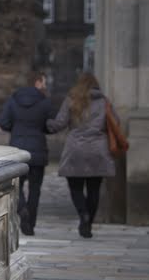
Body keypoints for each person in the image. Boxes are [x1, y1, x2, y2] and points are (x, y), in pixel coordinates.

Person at [47, 72, 119, 238]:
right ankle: (89, 221)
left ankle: (83, 214)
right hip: (98, 150)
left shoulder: (71, 99)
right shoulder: (103, 101)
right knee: (94, 189)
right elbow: (116, 121)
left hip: (75, 149)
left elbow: (59, 124)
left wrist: (45, 123)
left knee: (75, 187)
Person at [0, 70, 54, 235]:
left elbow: (3, 122)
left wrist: (15, 130)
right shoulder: (45, 102)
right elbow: (51, 125)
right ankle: (31, 223)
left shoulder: (13, 100)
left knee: (17, 186)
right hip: (38, 150)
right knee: (35, 189)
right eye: (43, 82)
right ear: (37, 82)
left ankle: (22, 209)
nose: (45, 86)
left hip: (17, 149)